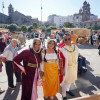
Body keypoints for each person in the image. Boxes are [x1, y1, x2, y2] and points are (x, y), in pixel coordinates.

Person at [58, 33, 79, 100]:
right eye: (65, 39)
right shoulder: (62, 49)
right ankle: (64, 95)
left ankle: (68, 90)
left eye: (69, 39)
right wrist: (61, 69)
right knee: (65, 81)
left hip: (74, 66)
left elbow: (77, 54)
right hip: (66, 68)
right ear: (63, 40)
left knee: (71, 80)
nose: (67, 40)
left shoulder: (75, 47)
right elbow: (59, 60)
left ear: (71, 39)